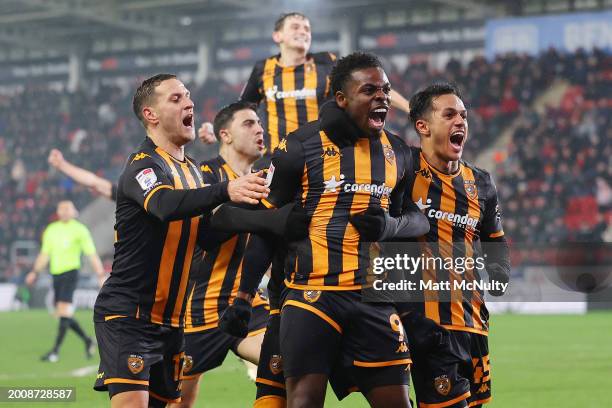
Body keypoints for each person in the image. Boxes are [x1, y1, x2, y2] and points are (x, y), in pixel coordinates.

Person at [212, 52, 430, 408]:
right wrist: (242, 297)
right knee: (302, 402)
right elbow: (268, 227)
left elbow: (419, 219)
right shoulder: (299, 146)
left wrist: (390, 225)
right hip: (311, 298)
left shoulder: (400, 152)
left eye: (386, 90)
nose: (382, 97)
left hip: (372, 300)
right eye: (369, 90)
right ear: (341, 99)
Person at [92, 73, 269, 408]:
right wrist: (226, 190)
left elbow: (205, 235)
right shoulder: (144, 165)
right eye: (175, 98)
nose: (189, 102)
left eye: (188, 96)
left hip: (173, 322)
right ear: (151, 115)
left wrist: (253, 210)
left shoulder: (190, 170)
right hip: (130, 314)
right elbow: (162, 205)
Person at [399, 83, 510, 408]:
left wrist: (500, 271)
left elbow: (494, 239)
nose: (460, 122)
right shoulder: (401, 172)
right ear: (423, 126)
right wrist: (404, 311)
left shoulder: (481, 182)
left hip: (472, 321)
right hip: (426, 324)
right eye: (449, 115)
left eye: (463, 115)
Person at [168, 101, 270, 408]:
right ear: (224, 135)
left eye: (260, 123)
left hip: (245, 301)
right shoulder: (204, 176)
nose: (259, 128)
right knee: (177, 401)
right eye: (249, 124)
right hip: (196, 309)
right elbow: (205, 235)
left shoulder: (267, 180)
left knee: (284, 364)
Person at [25, 200, 107, 363]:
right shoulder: (51, 229)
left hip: (71, 273)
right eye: (61, 208)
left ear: (74, 211)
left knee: (63, 312)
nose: (63, 211)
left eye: (67, 208)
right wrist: (34, 272)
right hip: (56, 275)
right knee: (63, 314)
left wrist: (100, 274)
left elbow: (91, 254)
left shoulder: (80, 230)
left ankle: (55, 352)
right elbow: (44, 254)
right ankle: (87, 340)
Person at [48, 148, 116, 200]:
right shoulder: (124, 195)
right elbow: (94, 182)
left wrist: (62, 165)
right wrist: (62, 165)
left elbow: (95, 182)